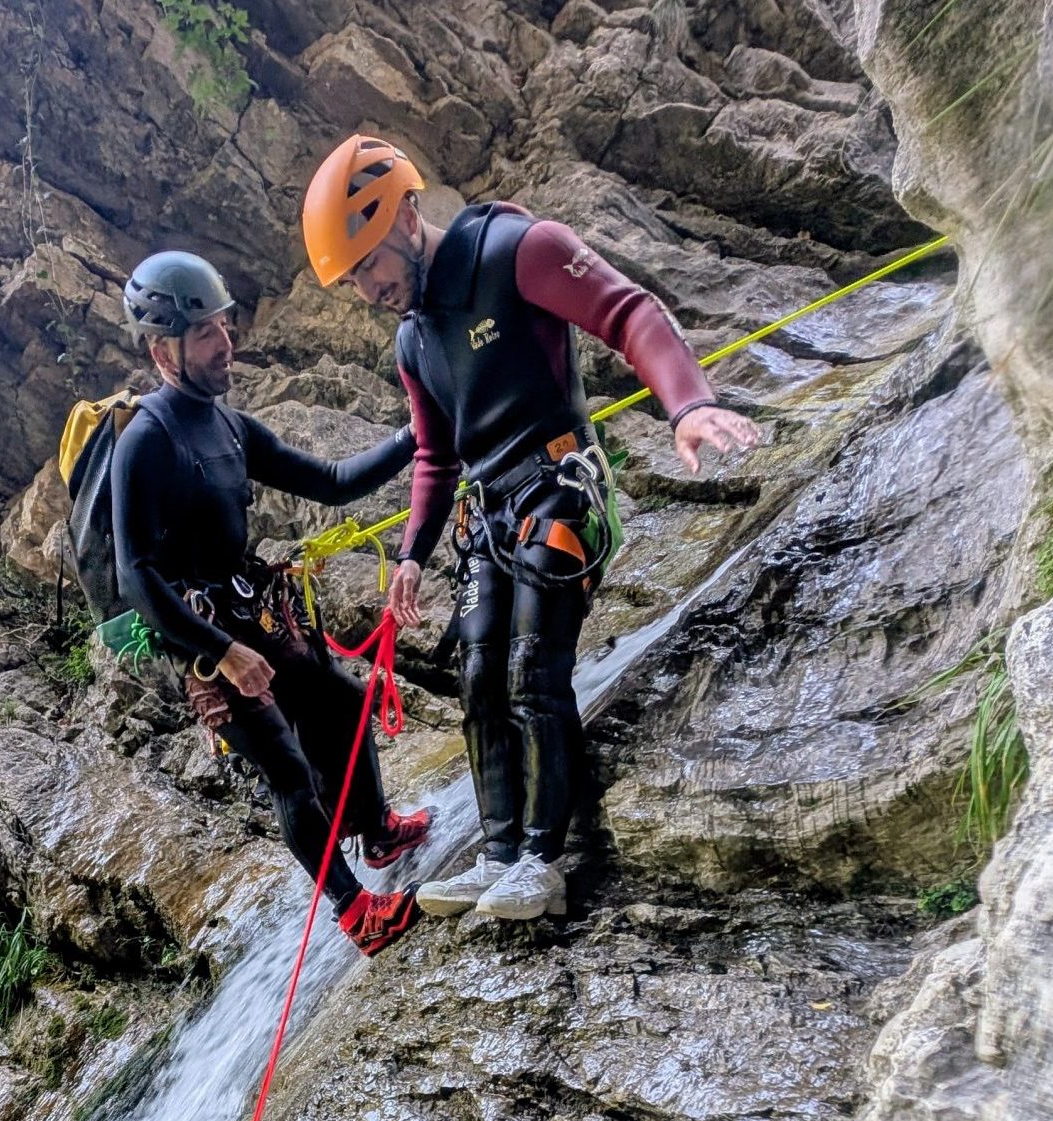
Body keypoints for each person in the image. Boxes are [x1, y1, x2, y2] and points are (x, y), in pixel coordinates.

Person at [302, 135, 761, 921]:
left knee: (528, 668)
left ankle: (542, 861)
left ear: (405, 214)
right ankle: (499, 850)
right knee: (478, 680)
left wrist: (688, 403)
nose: (366, 288)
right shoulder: (413, 339)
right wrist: (411, 555)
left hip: (560, 491)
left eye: (369, 263)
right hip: (490, 517)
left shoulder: (518, 248)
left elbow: (627, 311)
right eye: (351, 280)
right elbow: (435, 455)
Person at [111, 250, 433, 955]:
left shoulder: (226, 425)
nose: (225, 345)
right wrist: (220, 653)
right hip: (206, 644)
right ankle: (355, 913)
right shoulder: (145, 441)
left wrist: (419, 435)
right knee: (287, 769)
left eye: (224, 327)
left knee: (345, 705)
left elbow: (332, 481)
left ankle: (375, 832)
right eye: (205, 336)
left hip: (252, 614)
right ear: (161, 348)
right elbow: (135, 576)